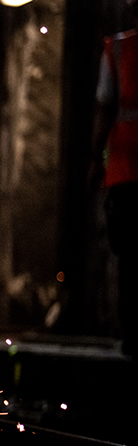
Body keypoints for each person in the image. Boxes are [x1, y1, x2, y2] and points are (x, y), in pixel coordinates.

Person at [91, 0, 138, 357]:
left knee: (130, 255)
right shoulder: (118, 47)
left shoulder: (119, 48)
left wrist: (95, 159)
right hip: (124, 172)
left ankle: (133, 331)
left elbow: (105, 106)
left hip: (125, 174)